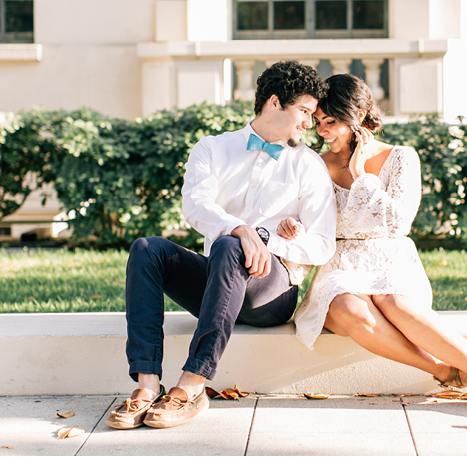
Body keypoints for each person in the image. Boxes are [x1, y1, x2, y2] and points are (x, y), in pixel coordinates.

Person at [288, 74, 467, 422]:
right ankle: (448, 373)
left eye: (333, 122)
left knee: (395, 301)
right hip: (339, 265)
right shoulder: (314, 164)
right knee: (347, 307)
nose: (324, 132)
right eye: (320, 123)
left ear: (359, 117)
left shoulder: (401, 158)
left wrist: (361, 177)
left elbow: (397, 224)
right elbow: (306, 221)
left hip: (390, 259)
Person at [107, 61, 336, 430]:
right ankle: (147, 386)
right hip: (219, 282)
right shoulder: (213, 148)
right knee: (148, 249)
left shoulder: (308, 166)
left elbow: (323, 245)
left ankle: (193, 385)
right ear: (275, 102)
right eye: (305, 112)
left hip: (270, 294)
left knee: (230, 246)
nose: (309, 123)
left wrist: (263, 238)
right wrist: (240, 228)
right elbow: (195, 206)